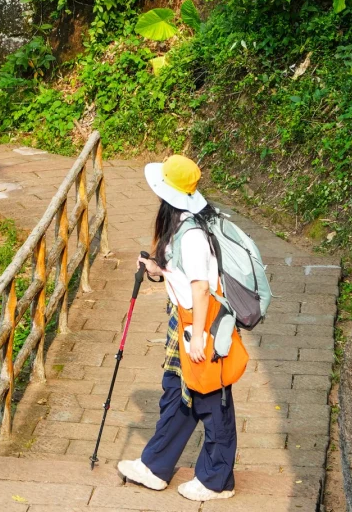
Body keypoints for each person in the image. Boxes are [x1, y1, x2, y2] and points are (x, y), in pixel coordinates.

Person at [117, 154, 242, 502]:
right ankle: (156, 466)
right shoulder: (183, 227)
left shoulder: (192, 236)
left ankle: (217, 480)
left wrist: (200, 335)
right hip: (185, 319)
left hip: (202, 321)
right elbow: (185, 276)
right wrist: (157, 269)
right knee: (176, 390)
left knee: (210, 398)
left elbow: (202, 288)